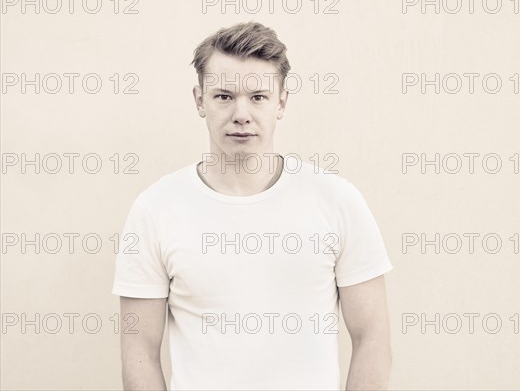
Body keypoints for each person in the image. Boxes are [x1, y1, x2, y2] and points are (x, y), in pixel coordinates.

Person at [112, 21, 393, 390]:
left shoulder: (336, 200)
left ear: (282, 102)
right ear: (200, 100)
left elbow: (372, 338)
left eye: (258, 96)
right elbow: (139, 352)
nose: (241, 114)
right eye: (224, 96)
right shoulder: (155, 210)